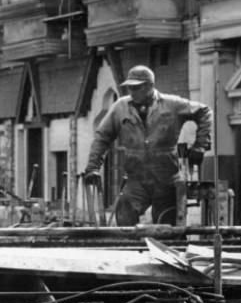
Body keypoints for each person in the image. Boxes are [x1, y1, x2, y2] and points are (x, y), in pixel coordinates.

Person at [83, 65, 212, 226]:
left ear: (150, 86)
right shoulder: (120, 107)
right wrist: (93, 167)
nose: (132, 91)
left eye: (137, 87)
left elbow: (204, 112)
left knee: (166, 225)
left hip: (167, 179)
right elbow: (102, 136)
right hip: (136, 179)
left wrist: (200, 145)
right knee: (124, 213)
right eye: (129, 87)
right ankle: (130, 250)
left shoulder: (172, 104)